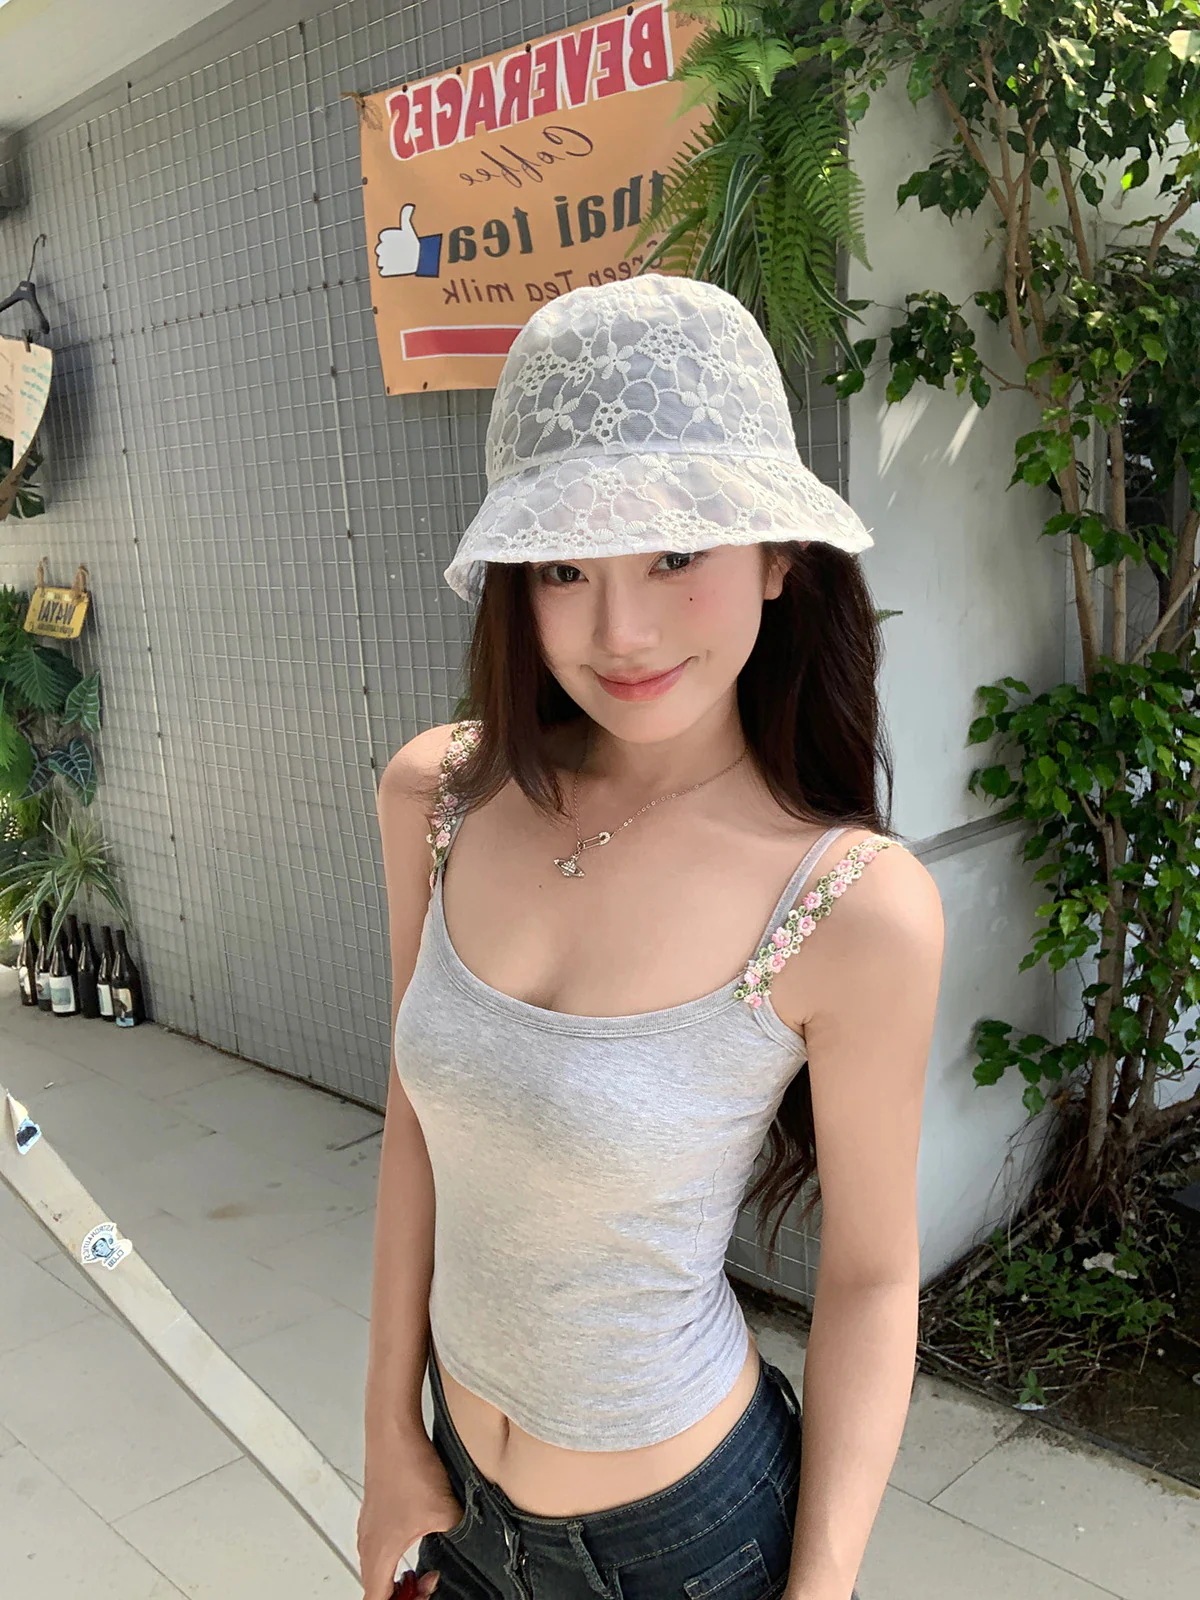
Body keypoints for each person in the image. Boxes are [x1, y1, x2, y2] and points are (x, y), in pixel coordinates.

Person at [359, 274, 945, 1600]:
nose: (619, 632)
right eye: (565, 567)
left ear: (778, 555)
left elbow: (869, 1277)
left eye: (675, 554)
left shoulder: (848, 903)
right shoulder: (439, 800)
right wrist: (388, 1429)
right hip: (457, 1489)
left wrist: (821, 1589)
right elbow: (416, 1124)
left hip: (687, 1542)